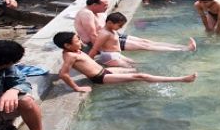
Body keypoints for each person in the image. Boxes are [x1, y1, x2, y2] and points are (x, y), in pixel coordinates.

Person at [54, 31, 197, 93]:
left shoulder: (74, 51)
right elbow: (63, 74)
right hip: (100, 77)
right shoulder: (69, 56)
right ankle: (182, 79)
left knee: (135, 71)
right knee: (141, 76)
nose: (80, 41)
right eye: (77, 40)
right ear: (67, 45)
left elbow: (86, 63)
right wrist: (77, 88)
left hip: (105, 72)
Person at [75, 0, 196, 52]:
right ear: (94, 5)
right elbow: (92, 35)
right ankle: (184, 50)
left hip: (111, 35)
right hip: (104, 42)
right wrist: (101, 51)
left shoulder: (96, 12)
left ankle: (182, 47)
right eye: (104, 5)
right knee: (144, 46)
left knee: (146, 41)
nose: (106, 7)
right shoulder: (86, 14)